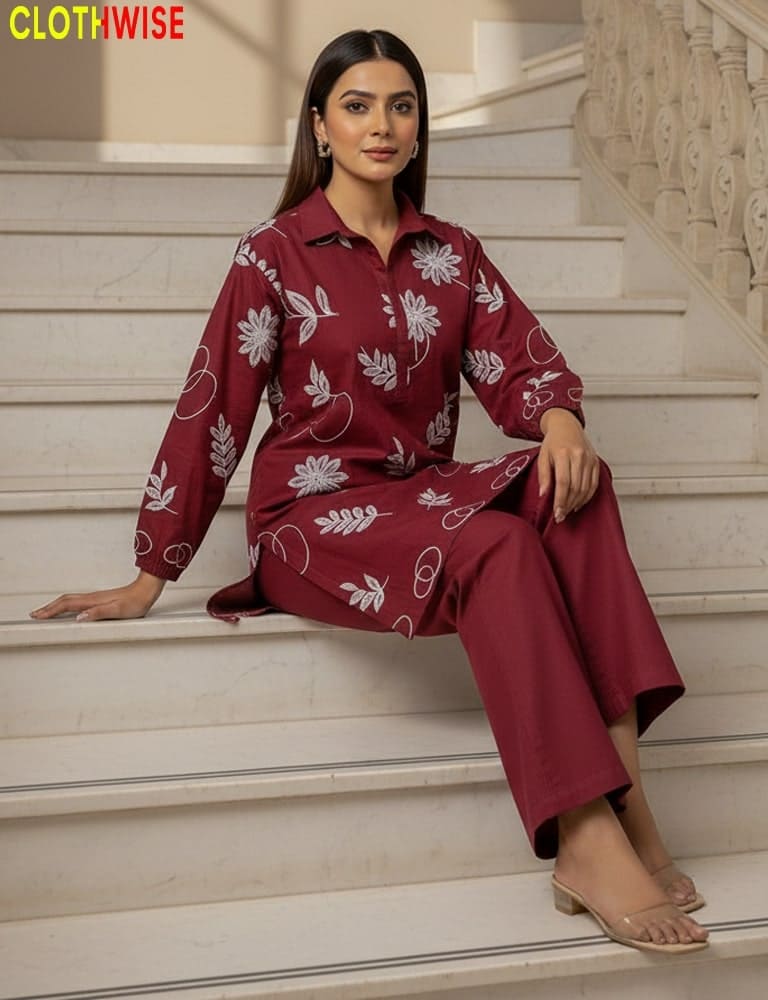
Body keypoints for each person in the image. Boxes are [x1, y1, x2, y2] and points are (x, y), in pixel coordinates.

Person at [31, 29, 710, 953]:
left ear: (420, 126)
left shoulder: (451, 254)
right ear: (320, 126)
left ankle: (631, 807)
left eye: (400, 106)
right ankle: (585, 837)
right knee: (499, 540)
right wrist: (153, 569)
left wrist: (559, 420)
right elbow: (214, 405)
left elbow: (521, 364)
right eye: (357, 106)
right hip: (310, 523)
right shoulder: (272, 254)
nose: (381, 125)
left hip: (420, 497)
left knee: (575, 484)